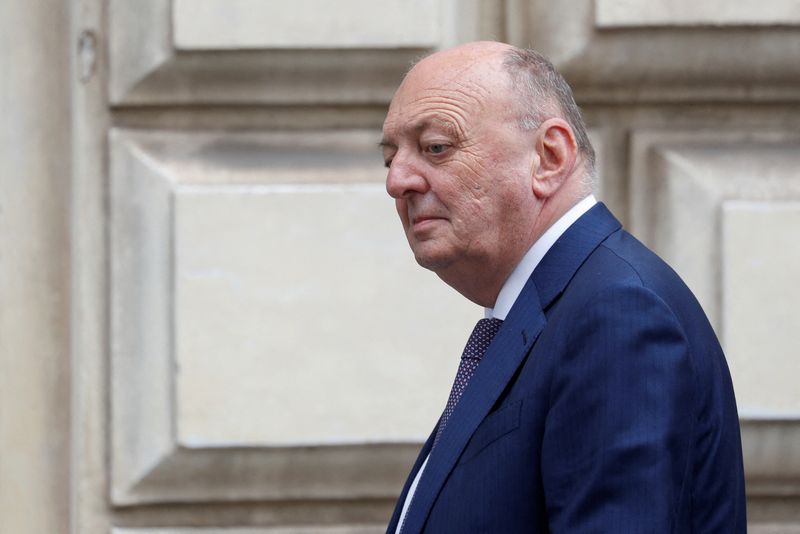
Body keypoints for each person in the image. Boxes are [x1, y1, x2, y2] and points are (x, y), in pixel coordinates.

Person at [380, 41, 746, 533]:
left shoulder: (618, 315)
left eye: (436, 147)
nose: (397, 180)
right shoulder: (556, 309)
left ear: (549, 157)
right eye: (390, 157)